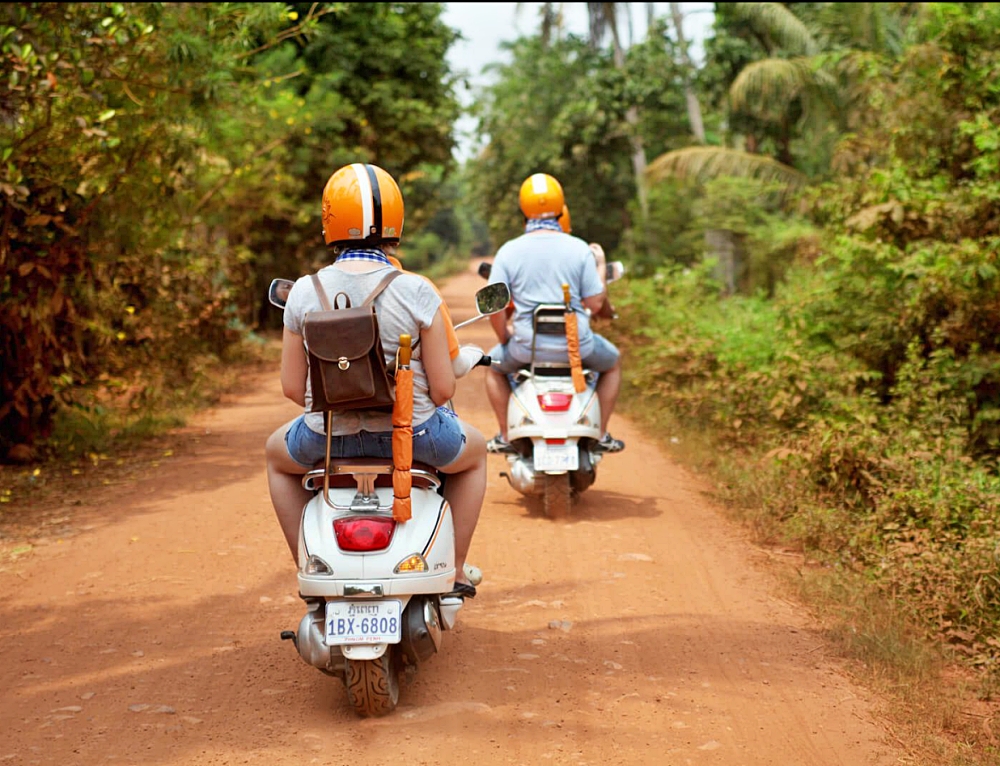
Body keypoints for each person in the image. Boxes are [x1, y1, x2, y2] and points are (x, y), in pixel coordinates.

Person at [264, 162, 485, 599]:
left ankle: (308, 567)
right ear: (394, 223)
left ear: (329, 221)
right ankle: (456, 569)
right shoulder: (417, 289)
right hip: (414, 436)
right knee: (476, 456)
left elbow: (293, 389)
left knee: (275, 456)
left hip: (327, 440)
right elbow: (443, 390)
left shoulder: (304, 292)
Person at [484, 172, 625, 454]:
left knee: (493, 370)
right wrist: (600, 265)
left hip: (526, 349)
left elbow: (494, 306)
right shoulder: (580, 249)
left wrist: (504, 338)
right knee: (613, 364)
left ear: (523, 211)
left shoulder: (509, 251)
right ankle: (602, 433)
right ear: (561, 208)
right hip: (579, 348)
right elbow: (595, 304)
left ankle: (504, 435)